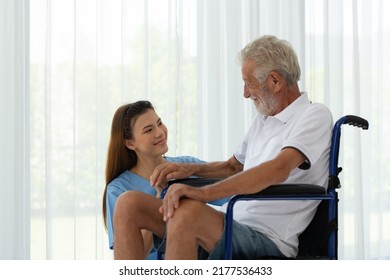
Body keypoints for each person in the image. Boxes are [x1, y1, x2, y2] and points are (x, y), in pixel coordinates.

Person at [113, 35, 333, 260]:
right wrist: (190, 170)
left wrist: (202, 193)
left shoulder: (314, 115)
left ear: (275, 81)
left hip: (268, 237)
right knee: (128, 204)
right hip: (229, 222)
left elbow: (278, 169)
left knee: (187, 212)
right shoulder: (263, 119)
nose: (246, 93)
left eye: (249, 83)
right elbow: (233, 166)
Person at [103, 100, 207, 259]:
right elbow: (133, 255)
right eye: (148, 130)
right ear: (130, 143)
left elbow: (232, 187)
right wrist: (161, 196)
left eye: (160, 123)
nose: (160, 132)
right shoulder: (118, 189)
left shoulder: (187, 167)